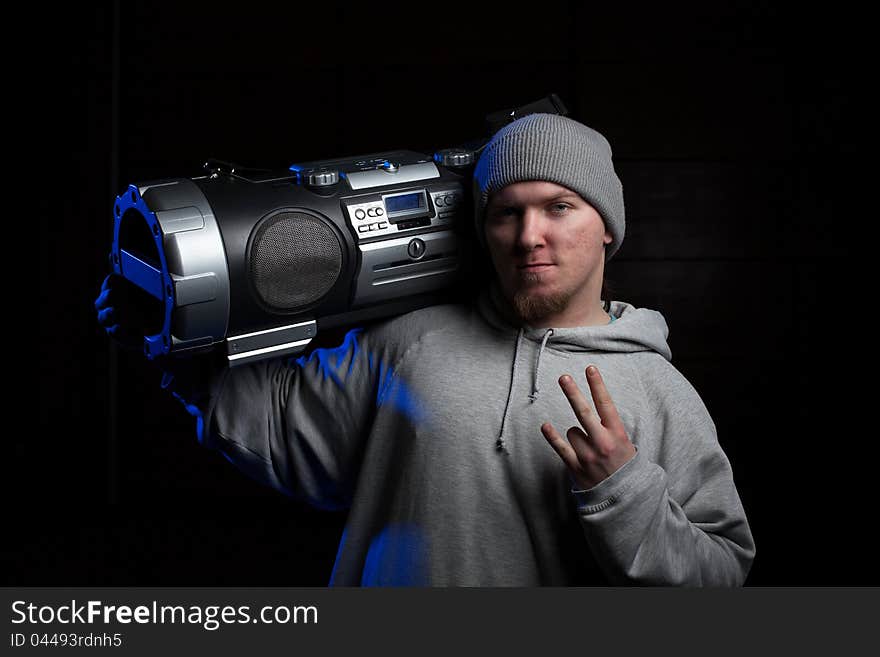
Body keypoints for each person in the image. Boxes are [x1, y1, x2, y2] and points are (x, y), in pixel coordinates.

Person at [96, 113, 755, 586]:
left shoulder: (655, 386)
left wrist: (627, 490)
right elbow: (279, 430)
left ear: (606, 227)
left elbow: (723, 570)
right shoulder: (410, 339)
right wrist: (163, 337)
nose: (530, 235)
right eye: (507, 211)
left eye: (559, 207)